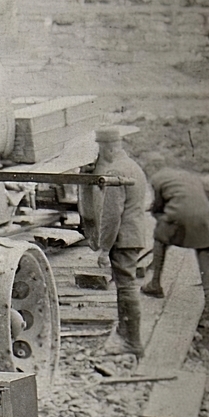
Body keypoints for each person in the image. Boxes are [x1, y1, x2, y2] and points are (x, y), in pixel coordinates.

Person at [140, 153, 209, 345]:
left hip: (177, 217)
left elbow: (158, 206)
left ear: (150, 168)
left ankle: (155, 284)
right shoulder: (190, 176)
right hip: (207, 223)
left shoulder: (157, 179)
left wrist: (160, 218)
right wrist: (208, 216)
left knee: (160, 238)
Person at [79, 127, 152, 356]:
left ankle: (132, 342)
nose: (100, 155)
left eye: (101, 150)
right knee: (127, 286)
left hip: (123, 239)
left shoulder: (117, 172)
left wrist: (104, 248)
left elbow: (111, 216)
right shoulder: (133, 166)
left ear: (108, 148)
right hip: (134, 234)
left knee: (126, 288)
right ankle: (127, 335)